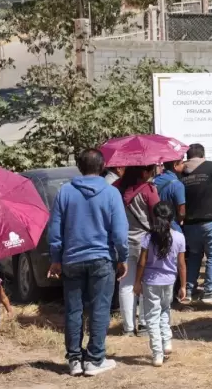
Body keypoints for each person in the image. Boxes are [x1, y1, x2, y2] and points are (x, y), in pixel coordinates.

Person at [47, 148, 129, 376]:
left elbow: (55, 230)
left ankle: (74, 359)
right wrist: (122, 257)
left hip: (71, 259)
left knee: (74, 310)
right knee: (99, 309)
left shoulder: (65, 192)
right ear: (102, 167)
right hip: (102, 258)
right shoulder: (111, 193)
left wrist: (55, 258)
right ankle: (94, 359)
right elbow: (120, 233)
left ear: (79, 167)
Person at [133, 202, 186, 367]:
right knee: (164, 311)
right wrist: (183, 286)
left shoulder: (148, 238)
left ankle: (157, 353)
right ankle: (167, 342)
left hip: (150, 281)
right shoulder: (179, 237)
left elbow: (142, 262)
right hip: (169, 281)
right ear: (172, 217)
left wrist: (137, 282)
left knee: (151, 317)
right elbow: (182, 264)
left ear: (154, 217)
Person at [115, 165, 160, 336]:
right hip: (145, 242)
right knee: (146, 284)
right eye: (150, 171)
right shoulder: (148, 190)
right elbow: (157, 216)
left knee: (125, 284)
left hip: (122, 242)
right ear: (144, 172)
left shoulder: (116, 188)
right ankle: (143, 325)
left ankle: (127, 327)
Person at [180, 144, 212, 303]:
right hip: (211, 220)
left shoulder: (181, 172)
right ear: (203, 154)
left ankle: (190, 290)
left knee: (193, 256)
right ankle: (209, 292)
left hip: (189, 223)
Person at [154, 157, 186, 232]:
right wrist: (179, 220)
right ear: (175, 165)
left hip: (156, 226)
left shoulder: (155, 179)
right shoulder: (177, 185)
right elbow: (182, 212)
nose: (184, 165)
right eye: (182, 163)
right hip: (172, 227)